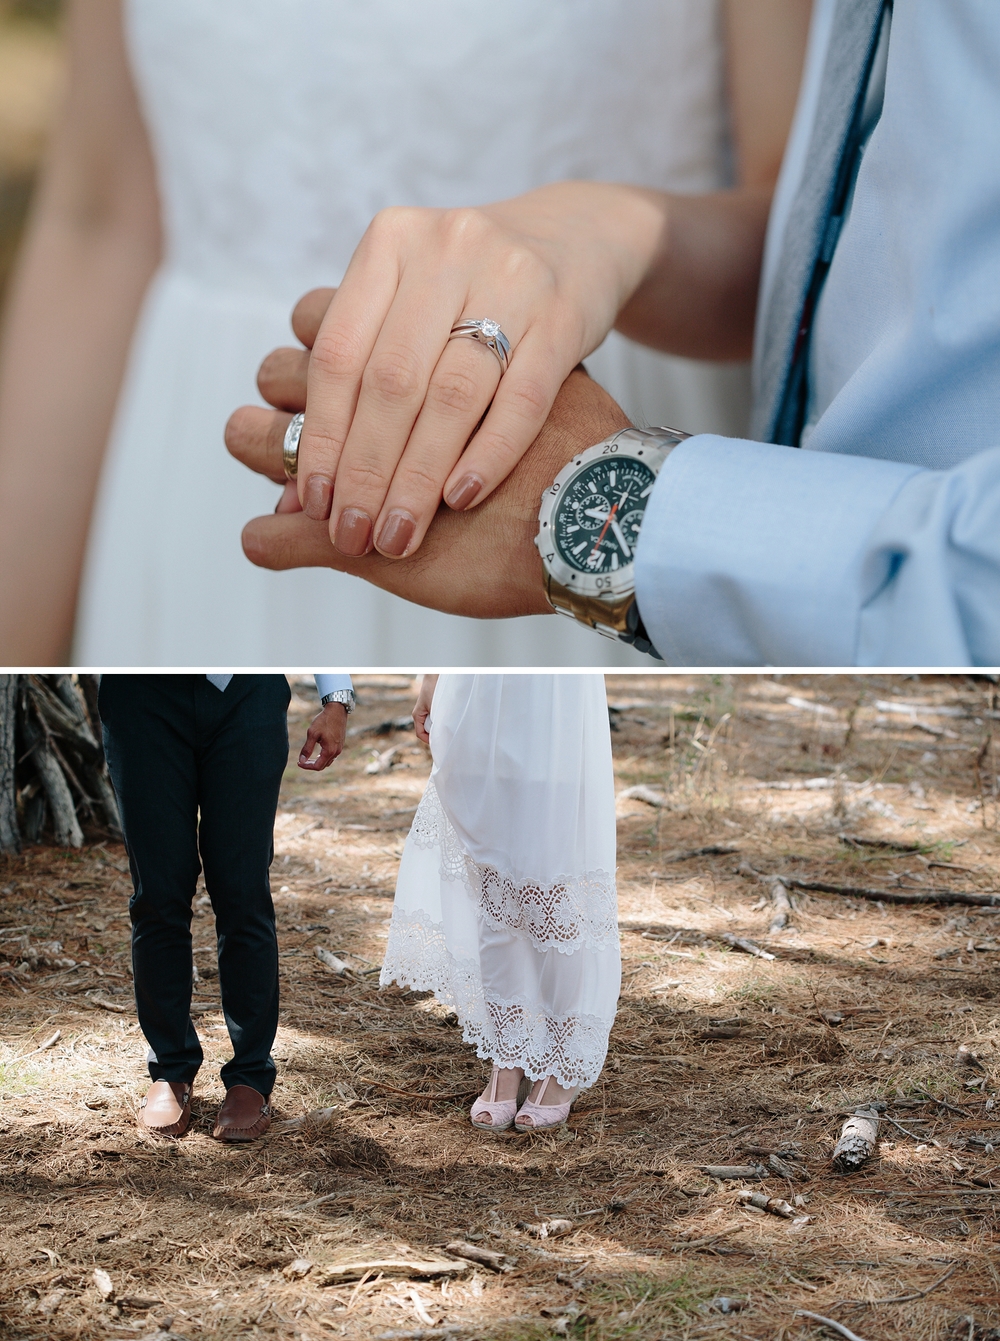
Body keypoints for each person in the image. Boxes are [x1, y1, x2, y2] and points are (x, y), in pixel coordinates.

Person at [0, 0, 811, 666]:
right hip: (197, 506)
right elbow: (98, 225)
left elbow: (813, 246)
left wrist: (613, 236)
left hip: (568, 454)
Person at [231, 0, 1000, 667]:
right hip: (215, 421)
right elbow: (841, 227)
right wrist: (618, 231)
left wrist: (630, 517)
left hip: (669, 501)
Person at [98, 673, 354, 1140]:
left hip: (245, 694)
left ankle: (250, 1076)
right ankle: (170, 1070)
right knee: (157, 895)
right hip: (139, 694)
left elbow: (309, 598)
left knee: (242, 893)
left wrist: (335, 697)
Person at [381, 674, 618, 1132]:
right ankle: (507, 1053)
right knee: (490, 883)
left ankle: (561, 1063)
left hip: (549, 687)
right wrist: (429, 681)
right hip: (473, 687)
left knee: (551, 883)